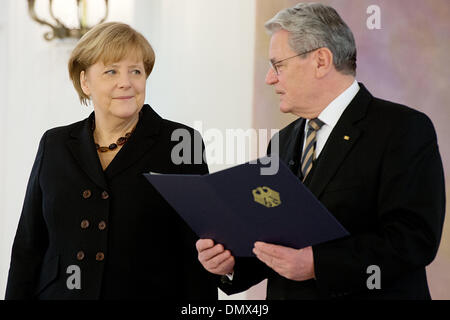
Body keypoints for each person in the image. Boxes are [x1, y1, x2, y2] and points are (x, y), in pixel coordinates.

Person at [196, 3, 446, 299]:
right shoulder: (283, 141)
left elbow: (413, 239)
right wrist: (229, 263)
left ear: (321, 61)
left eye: (278, 65)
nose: (270, 78)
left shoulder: (403, 129)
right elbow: (277, 241)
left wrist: (318, 264)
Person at [6, 22, 218, 300]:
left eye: (135, 71)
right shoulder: (54, 143)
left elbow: (198, 254)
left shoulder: (181, 142)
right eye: (111, 71)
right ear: (85, 82)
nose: (126, 82)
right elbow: (28, 246)